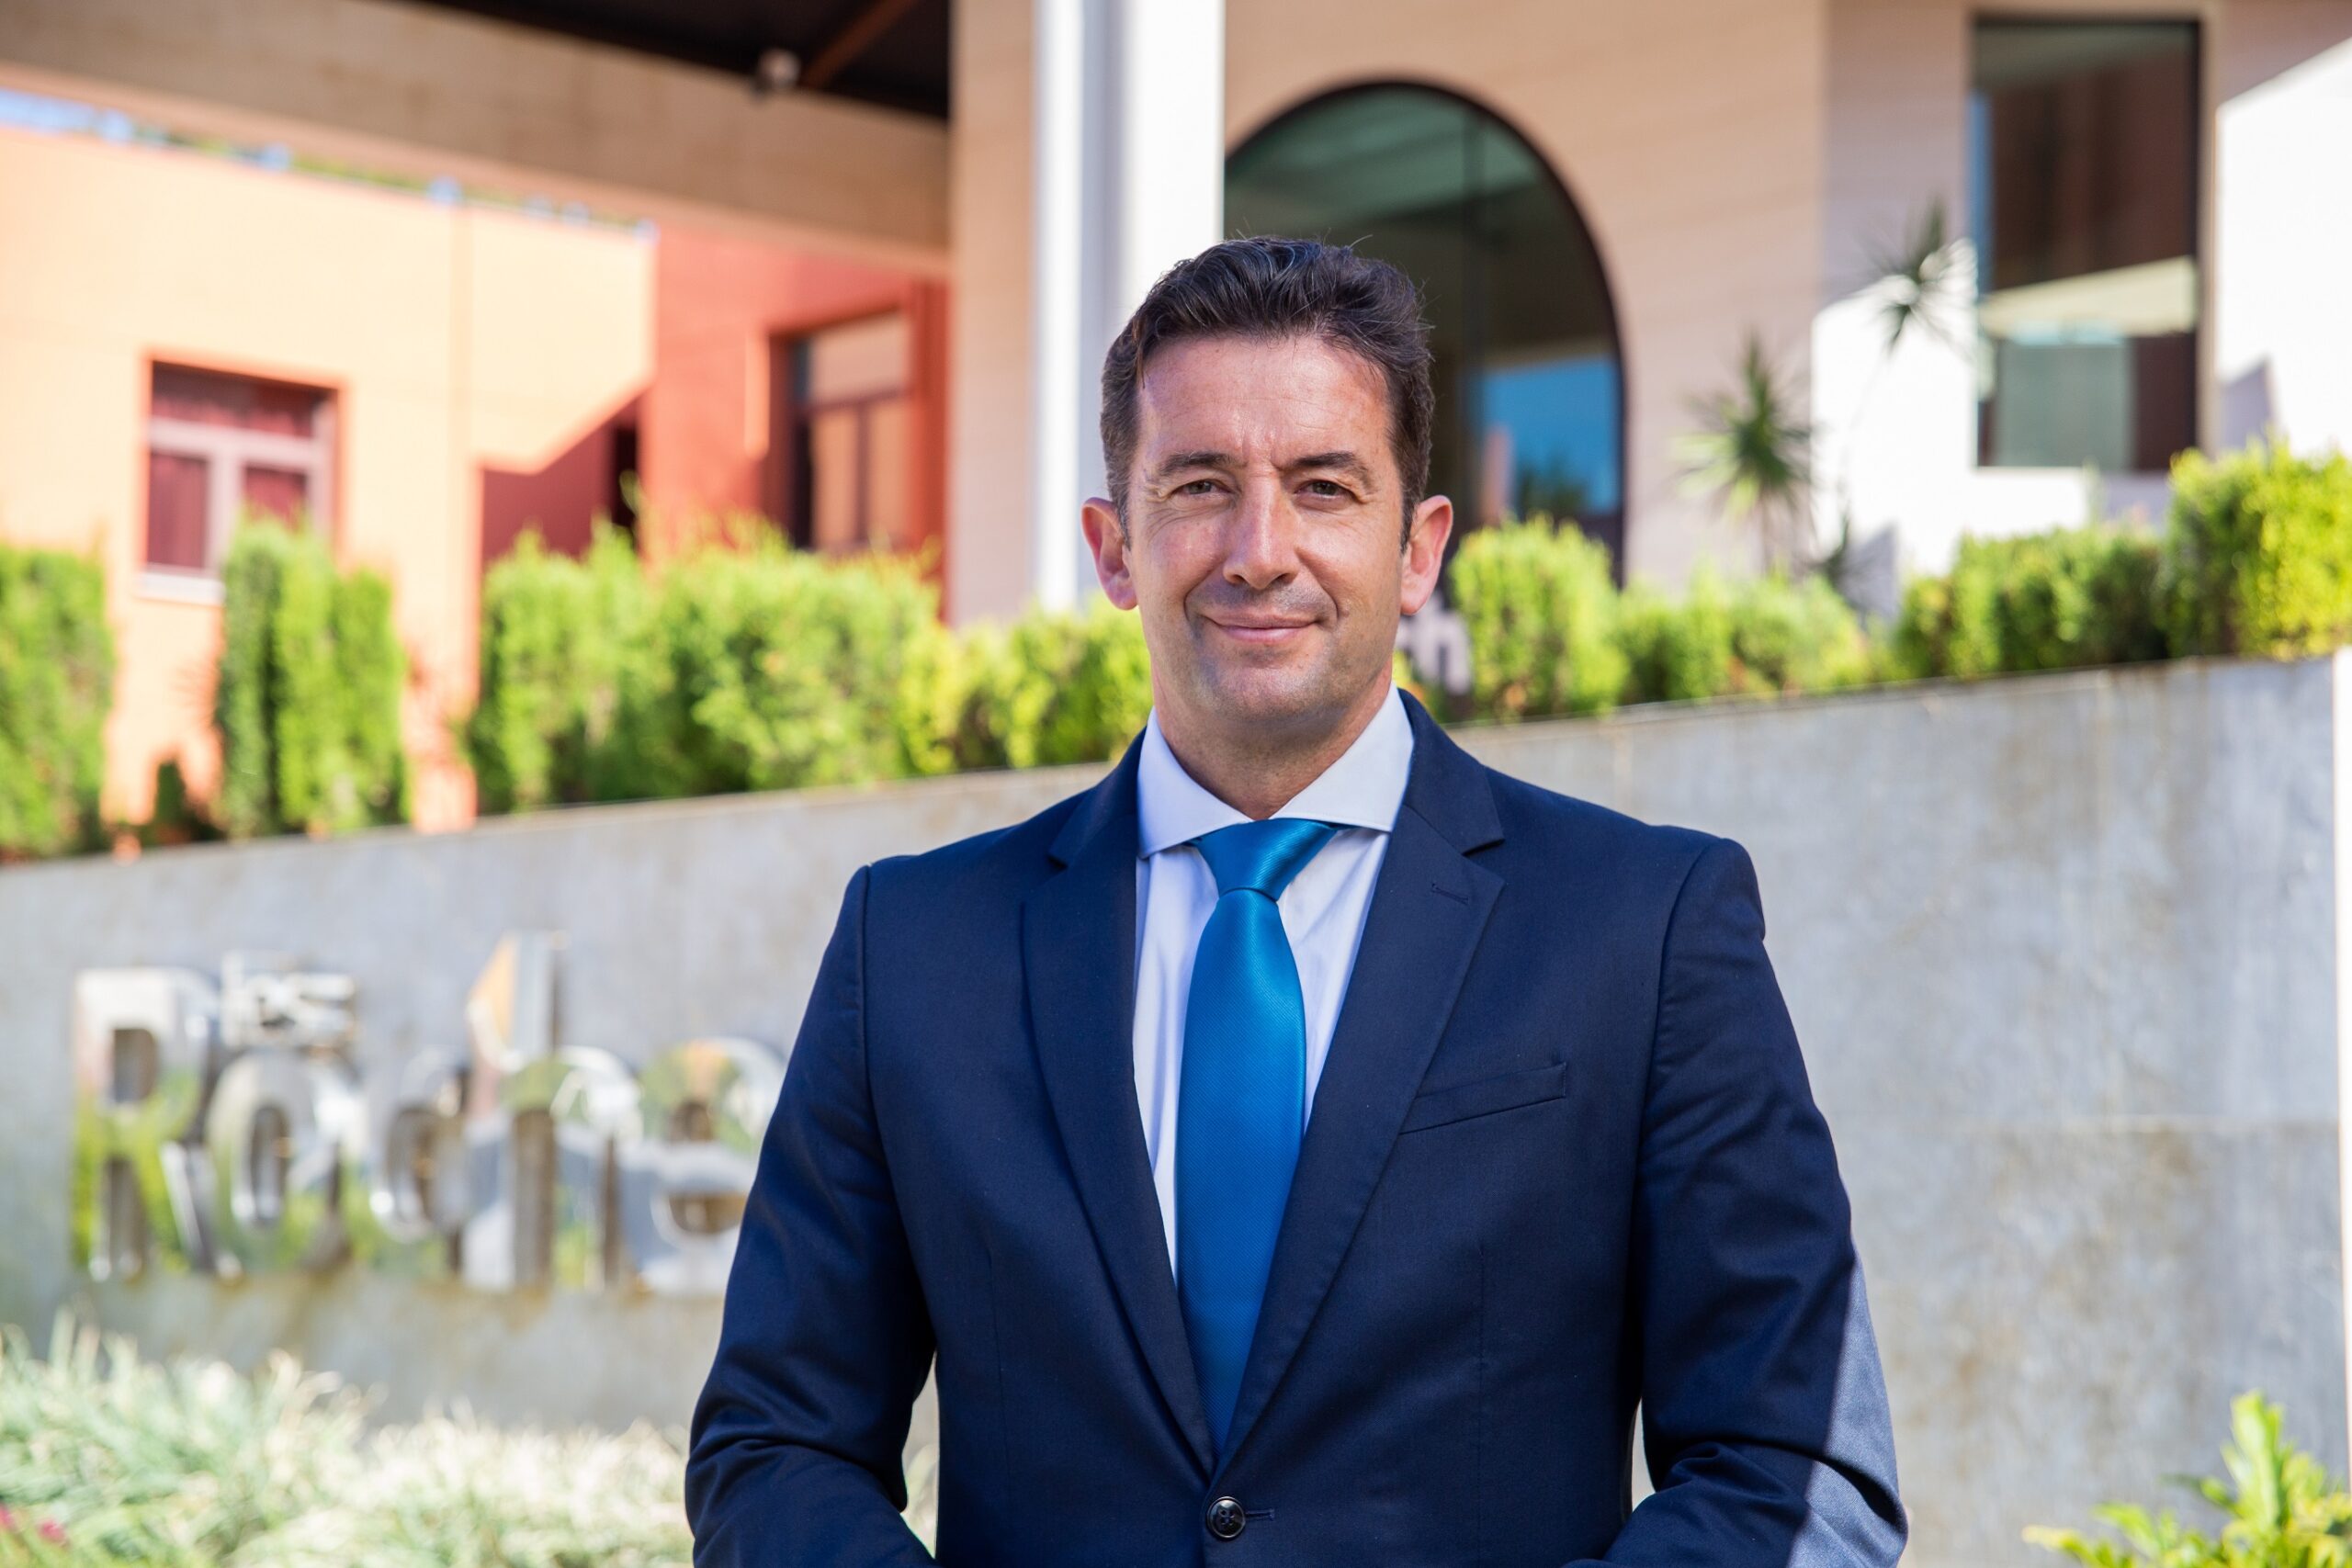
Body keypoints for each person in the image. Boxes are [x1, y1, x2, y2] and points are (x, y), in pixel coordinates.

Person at [685, 236, 1906, 1566]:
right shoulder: (916, 948)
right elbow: (776, 1447)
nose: (1259, 551)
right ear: (1113, 547)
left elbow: (1796, 1468)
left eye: (1324, 487)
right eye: (1201, 486)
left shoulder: (1646, 928)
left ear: (1418, 548)